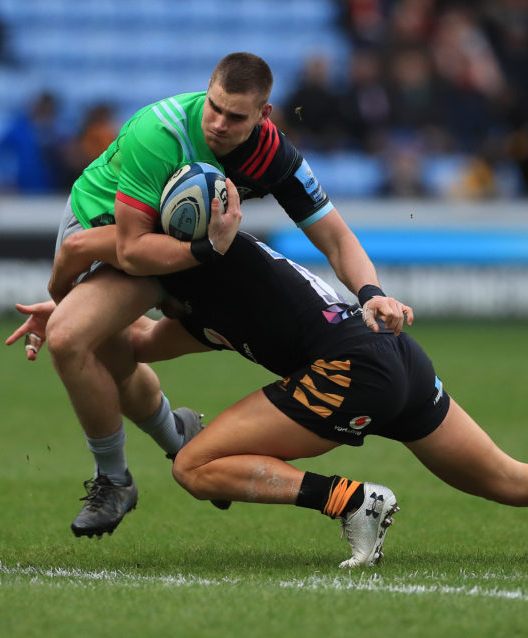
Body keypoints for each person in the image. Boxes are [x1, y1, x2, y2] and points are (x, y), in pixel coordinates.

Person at [8, 223, 528, 569]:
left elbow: (102, 265)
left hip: (353, 365)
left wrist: (78, 290)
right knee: (504, 476)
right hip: (389, 358)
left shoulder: (212, 269)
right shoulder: (212, 284)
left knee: (195, 466)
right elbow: (135, 343)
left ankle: (354, 502)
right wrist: (70, 319)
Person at [25, 52, 410, 539]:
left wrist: (371, 292)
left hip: (175, 251)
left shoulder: (273, 154)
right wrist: (209, 248)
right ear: (206, 91)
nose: (220, 124)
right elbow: (131, 248)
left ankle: (114, 480)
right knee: (112, 357)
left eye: (236, 116)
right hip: (106, 229)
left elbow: (334, 235)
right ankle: (175, 434)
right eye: (214, 107)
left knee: (70, 339)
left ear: (263, 115)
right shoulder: (159, 132)